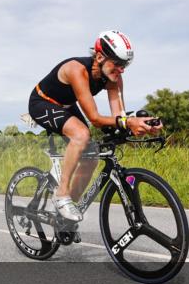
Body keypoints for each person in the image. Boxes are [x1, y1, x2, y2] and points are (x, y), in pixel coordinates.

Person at [27, 30, 162, 221]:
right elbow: (95, 118)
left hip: (66, 106)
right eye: (117, 63)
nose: (121, 69)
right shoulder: (77, 69)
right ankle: (61, 194)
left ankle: (64, 215)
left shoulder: (114, 78)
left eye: (125, 65)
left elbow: (119, 118)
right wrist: (126, 122)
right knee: (81, 134)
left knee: (91, 158)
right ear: (99, 56)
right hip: (42, 102)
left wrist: (140, 125)